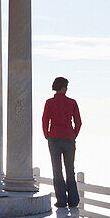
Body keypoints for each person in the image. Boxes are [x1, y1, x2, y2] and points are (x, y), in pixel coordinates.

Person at [42, 76, 82, 209]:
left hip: (54, 138)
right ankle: (73, 200)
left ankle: (61, 200)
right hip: (69, 138)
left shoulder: (49, 102)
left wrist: (47, 134)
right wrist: (73, 135)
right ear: (64, 88)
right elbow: (78, 122)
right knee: (70, 170)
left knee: (57, 170)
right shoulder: (72, 102)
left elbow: (45, 120)